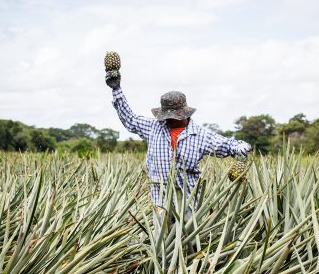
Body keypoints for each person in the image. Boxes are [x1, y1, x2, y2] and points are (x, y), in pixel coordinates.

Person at [105, 70, 252, 213]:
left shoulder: (200, 135)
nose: (168, 119)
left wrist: (240, 146)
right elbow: (130, 119)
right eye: (166, 115)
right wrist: (116, 89)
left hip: (189, 203)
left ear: (184, 113)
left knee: (189, 237)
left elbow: (226, 144)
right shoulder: (153, 127)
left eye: (173, 115)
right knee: (161, 237)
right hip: (160, 203)